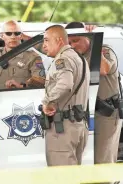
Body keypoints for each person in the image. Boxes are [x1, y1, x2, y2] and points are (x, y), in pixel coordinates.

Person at [65, 22, 122, 165]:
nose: (72, 45)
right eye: (69, 42)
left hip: (106, 113)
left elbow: (103, 69)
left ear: (88, 37)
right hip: (85, 113)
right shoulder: (74, 55)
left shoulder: (104, 50)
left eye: (76, 40)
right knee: (88, 158)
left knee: (103, 158)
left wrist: (97, 41)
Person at [41, 25, 90, 166]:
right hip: (77, 124)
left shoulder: (61, 60)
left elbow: (65, 84)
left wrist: (47, 101)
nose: (44, 45)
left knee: (61, 176)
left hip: (63, 127)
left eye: (46, 40)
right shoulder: (79, 58)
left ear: (59, 40)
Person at [0, 20, 46, 89]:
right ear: (2, 36)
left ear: (21, 36)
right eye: (8, 33)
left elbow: (41, 81)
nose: (13, 37)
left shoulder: (32, 57)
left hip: (21, 97)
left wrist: (21, 86)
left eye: (16, 33)